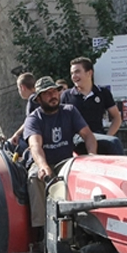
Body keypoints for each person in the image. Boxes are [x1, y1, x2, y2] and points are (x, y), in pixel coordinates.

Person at [24, 76, 97, 227]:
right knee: (35, 177)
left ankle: (84, 223)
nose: (53, 96)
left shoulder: (70, 111)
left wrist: (92, 157)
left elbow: (88, 135)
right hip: (44, 162)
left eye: (54, 91)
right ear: (39, 99)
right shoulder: (34, 119)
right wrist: (43, 166)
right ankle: (42, 228)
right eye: (47, 93)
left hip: (66, 162)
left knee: (84, 176)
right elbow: (35, 145)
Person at [61, 57, 124, 155]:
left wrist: (108, 136)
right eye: (72, 73)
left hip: (98, 135)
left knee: (113, 142)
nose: (74, 76)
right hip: (77, 137)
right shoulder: (67, 95)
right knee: (113, 142)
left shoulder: (102, 93)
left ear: (89, 73)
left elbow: (116, 117)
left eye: (77, 72)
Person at [9, 72, 39, 147]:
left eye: (19, 89)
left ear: (23, 87)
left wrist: (16, 134)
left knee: (9, 144)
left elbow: (29, 122)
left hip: (35, 138)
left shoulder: (32, 99)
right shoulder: (38, 97)